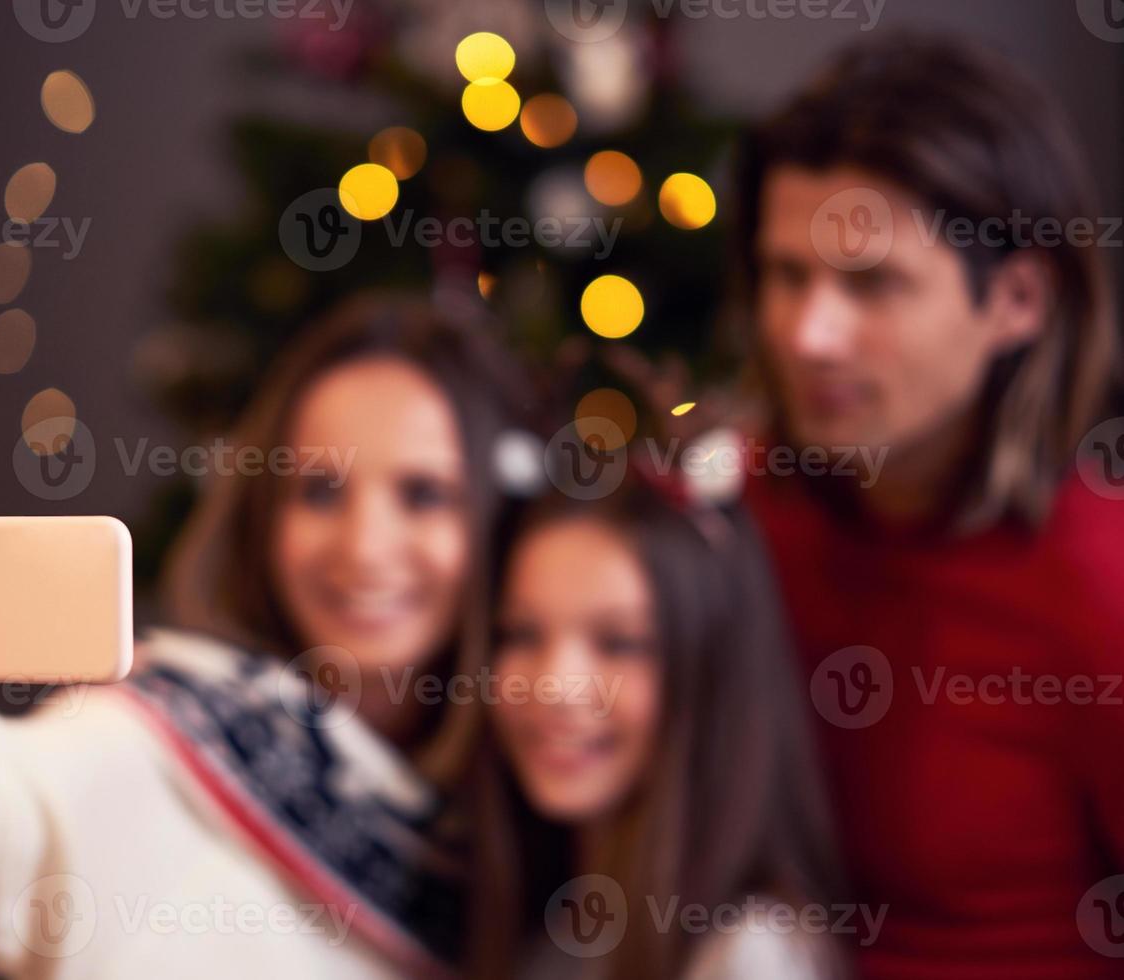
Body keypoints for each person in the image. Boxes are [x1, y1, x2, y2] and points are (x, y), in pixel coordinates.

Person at [0, 294, 520, 978]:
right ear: (264, 515)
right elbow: (2, 824)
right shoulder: (163, 738)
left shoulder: (526, 821)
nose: (364, 546)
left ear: (496, 526)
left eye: (425, 494)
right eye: (320, 490)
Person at [731, 34, 1124, 980]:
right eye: (788, 275)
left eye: (872, 285)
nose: (810, 335)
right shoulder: (739, 516)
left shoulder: (1098, 586)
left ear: (1019, 299)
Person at [464, 481, 844, 979]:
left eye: (618, 644)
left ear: (710, 676)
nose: (555, 686)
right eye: (522, 634)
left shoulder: (749, 954)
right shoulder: (551, 924)